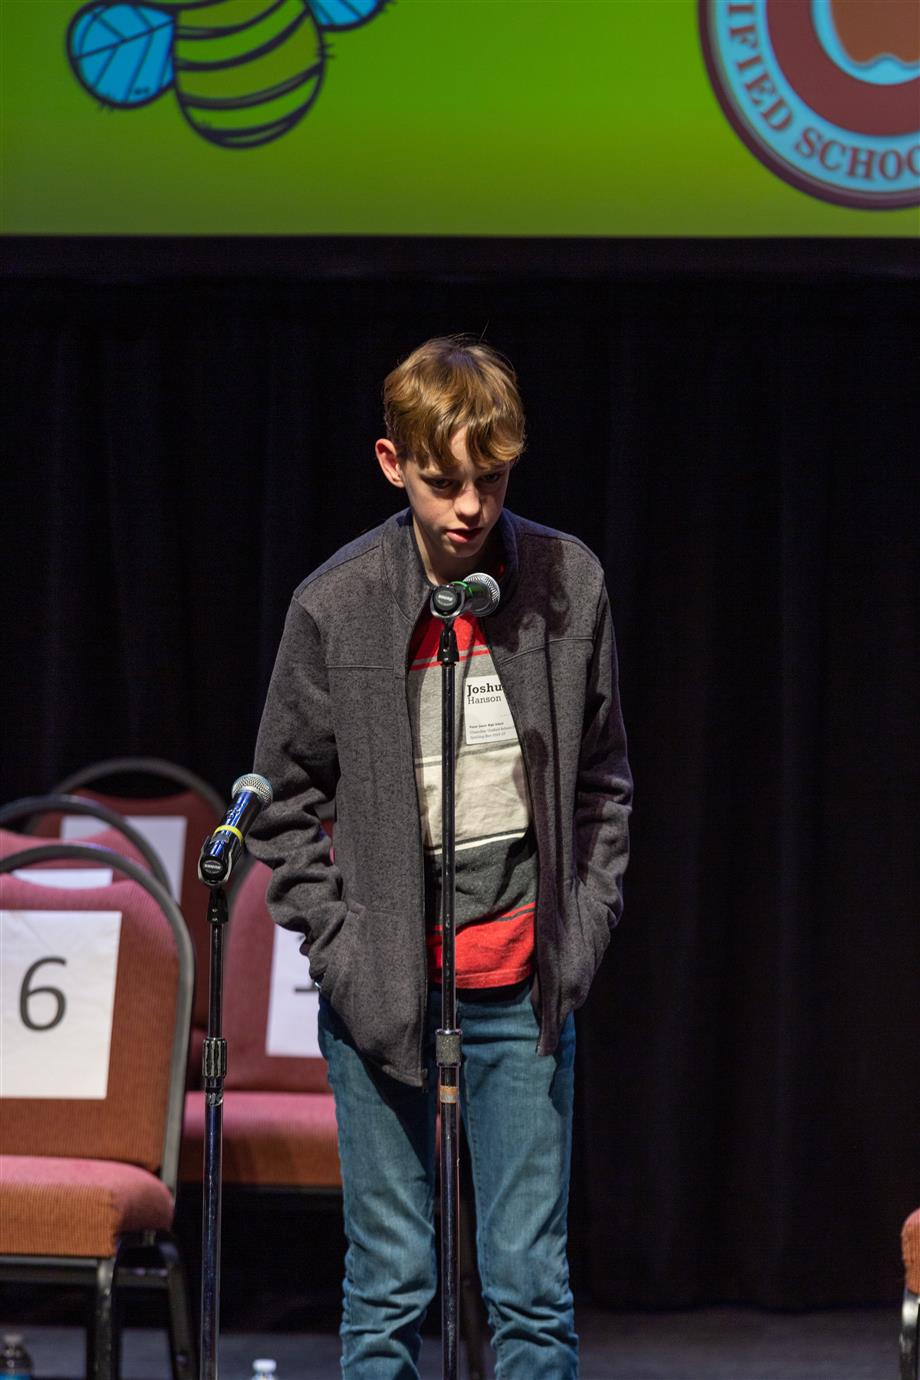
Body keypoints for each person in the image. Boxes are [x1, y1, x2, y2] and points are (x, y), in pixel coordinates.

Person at [249, 336, 632, 1379]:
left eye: (491, 479)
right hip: (385, 995)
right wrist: (343, 946)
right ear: (390, 462)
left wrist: (579, 932)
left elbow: (603, 779)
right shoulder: (335, 606)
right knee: (387, 1287)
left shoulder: (567, 581)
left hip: (521, 984)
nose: (469, 506)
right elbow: (280, 801)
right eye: (442, 481)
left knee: (528, 1287)